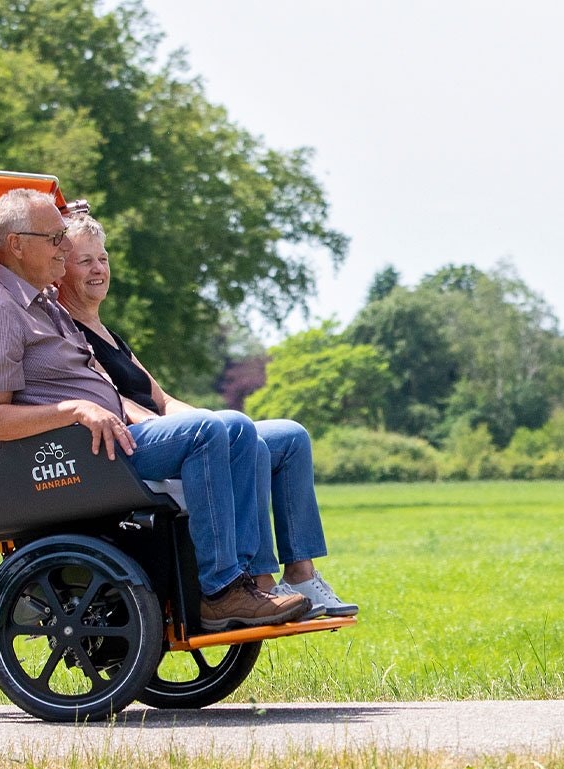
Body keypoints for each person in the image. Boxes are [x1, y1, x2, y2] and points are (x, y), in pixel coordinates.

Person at [0, 188, 309, 630]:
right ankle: (220, 591)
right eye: (54, 238)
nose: (64, 246)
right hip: (74, 452)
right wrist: (76, 410)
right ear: (16, 244)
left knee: (235, 429)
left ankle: (249, 583)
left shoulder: (43, 303)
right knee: (210, 430)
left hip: (109, 436)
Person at [54, 214, 357, 618]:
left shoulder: (107, 331)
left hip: (163, 428)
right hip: (136, 443)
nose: (99, 269)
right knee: (231, 428)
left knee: (290, 436)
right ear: (59, 272)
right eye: (85, 261)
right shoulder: (69, 332)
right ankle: (258, 581)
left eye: (103, 258)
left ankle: (301, 576)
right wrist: (205, 429)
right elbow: (116, 402)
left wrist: (217, 423)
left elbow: (161, 398)